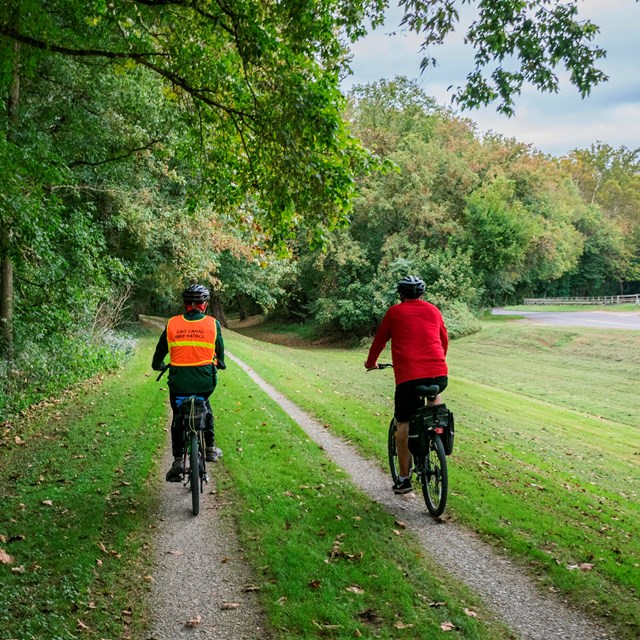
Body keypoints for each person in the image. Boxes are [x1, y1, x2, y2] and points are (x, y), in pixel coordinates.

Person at [364, 275, 448, 494]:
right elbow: (443, 340)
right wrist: (438, 362)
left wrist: (371, 363)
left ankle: (403, 479)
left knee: (403, 423)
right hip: (438, 374)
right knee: (434, 401)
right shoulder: (433, 310)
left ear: (401, 294)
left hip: (409, 378)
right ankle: (436, 429)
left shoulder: (395, 312)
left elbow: (380, 340)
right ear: (422, 294)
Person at [152, 284, 226, 481]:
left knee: (178, 416)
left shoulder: (172, 324)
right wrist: (221, 363)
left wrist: (158, 365)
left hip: (178, 383)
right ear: (204, 305)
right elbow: (220, 350)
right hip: (205, 382)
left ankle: (178, 460)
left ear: (185, 305)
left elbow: (160, 352)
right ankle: (209, 448)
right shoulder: (212, 324)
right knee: (205, 405)